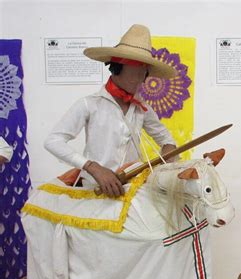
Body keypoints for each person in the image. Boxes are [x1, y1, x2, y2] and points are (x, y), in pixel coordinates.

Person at [44, 24, 177, 198]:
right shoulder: (89, 104)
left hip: (133, 191)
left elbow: (166, 139)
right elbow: (53, 141)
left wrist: (165, 160)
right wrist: (93, 167)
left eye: (143, 74)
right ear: (117, 68)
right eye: (135, 72)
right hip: (94, 191)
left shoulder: (142, 108)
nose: (140, 80)